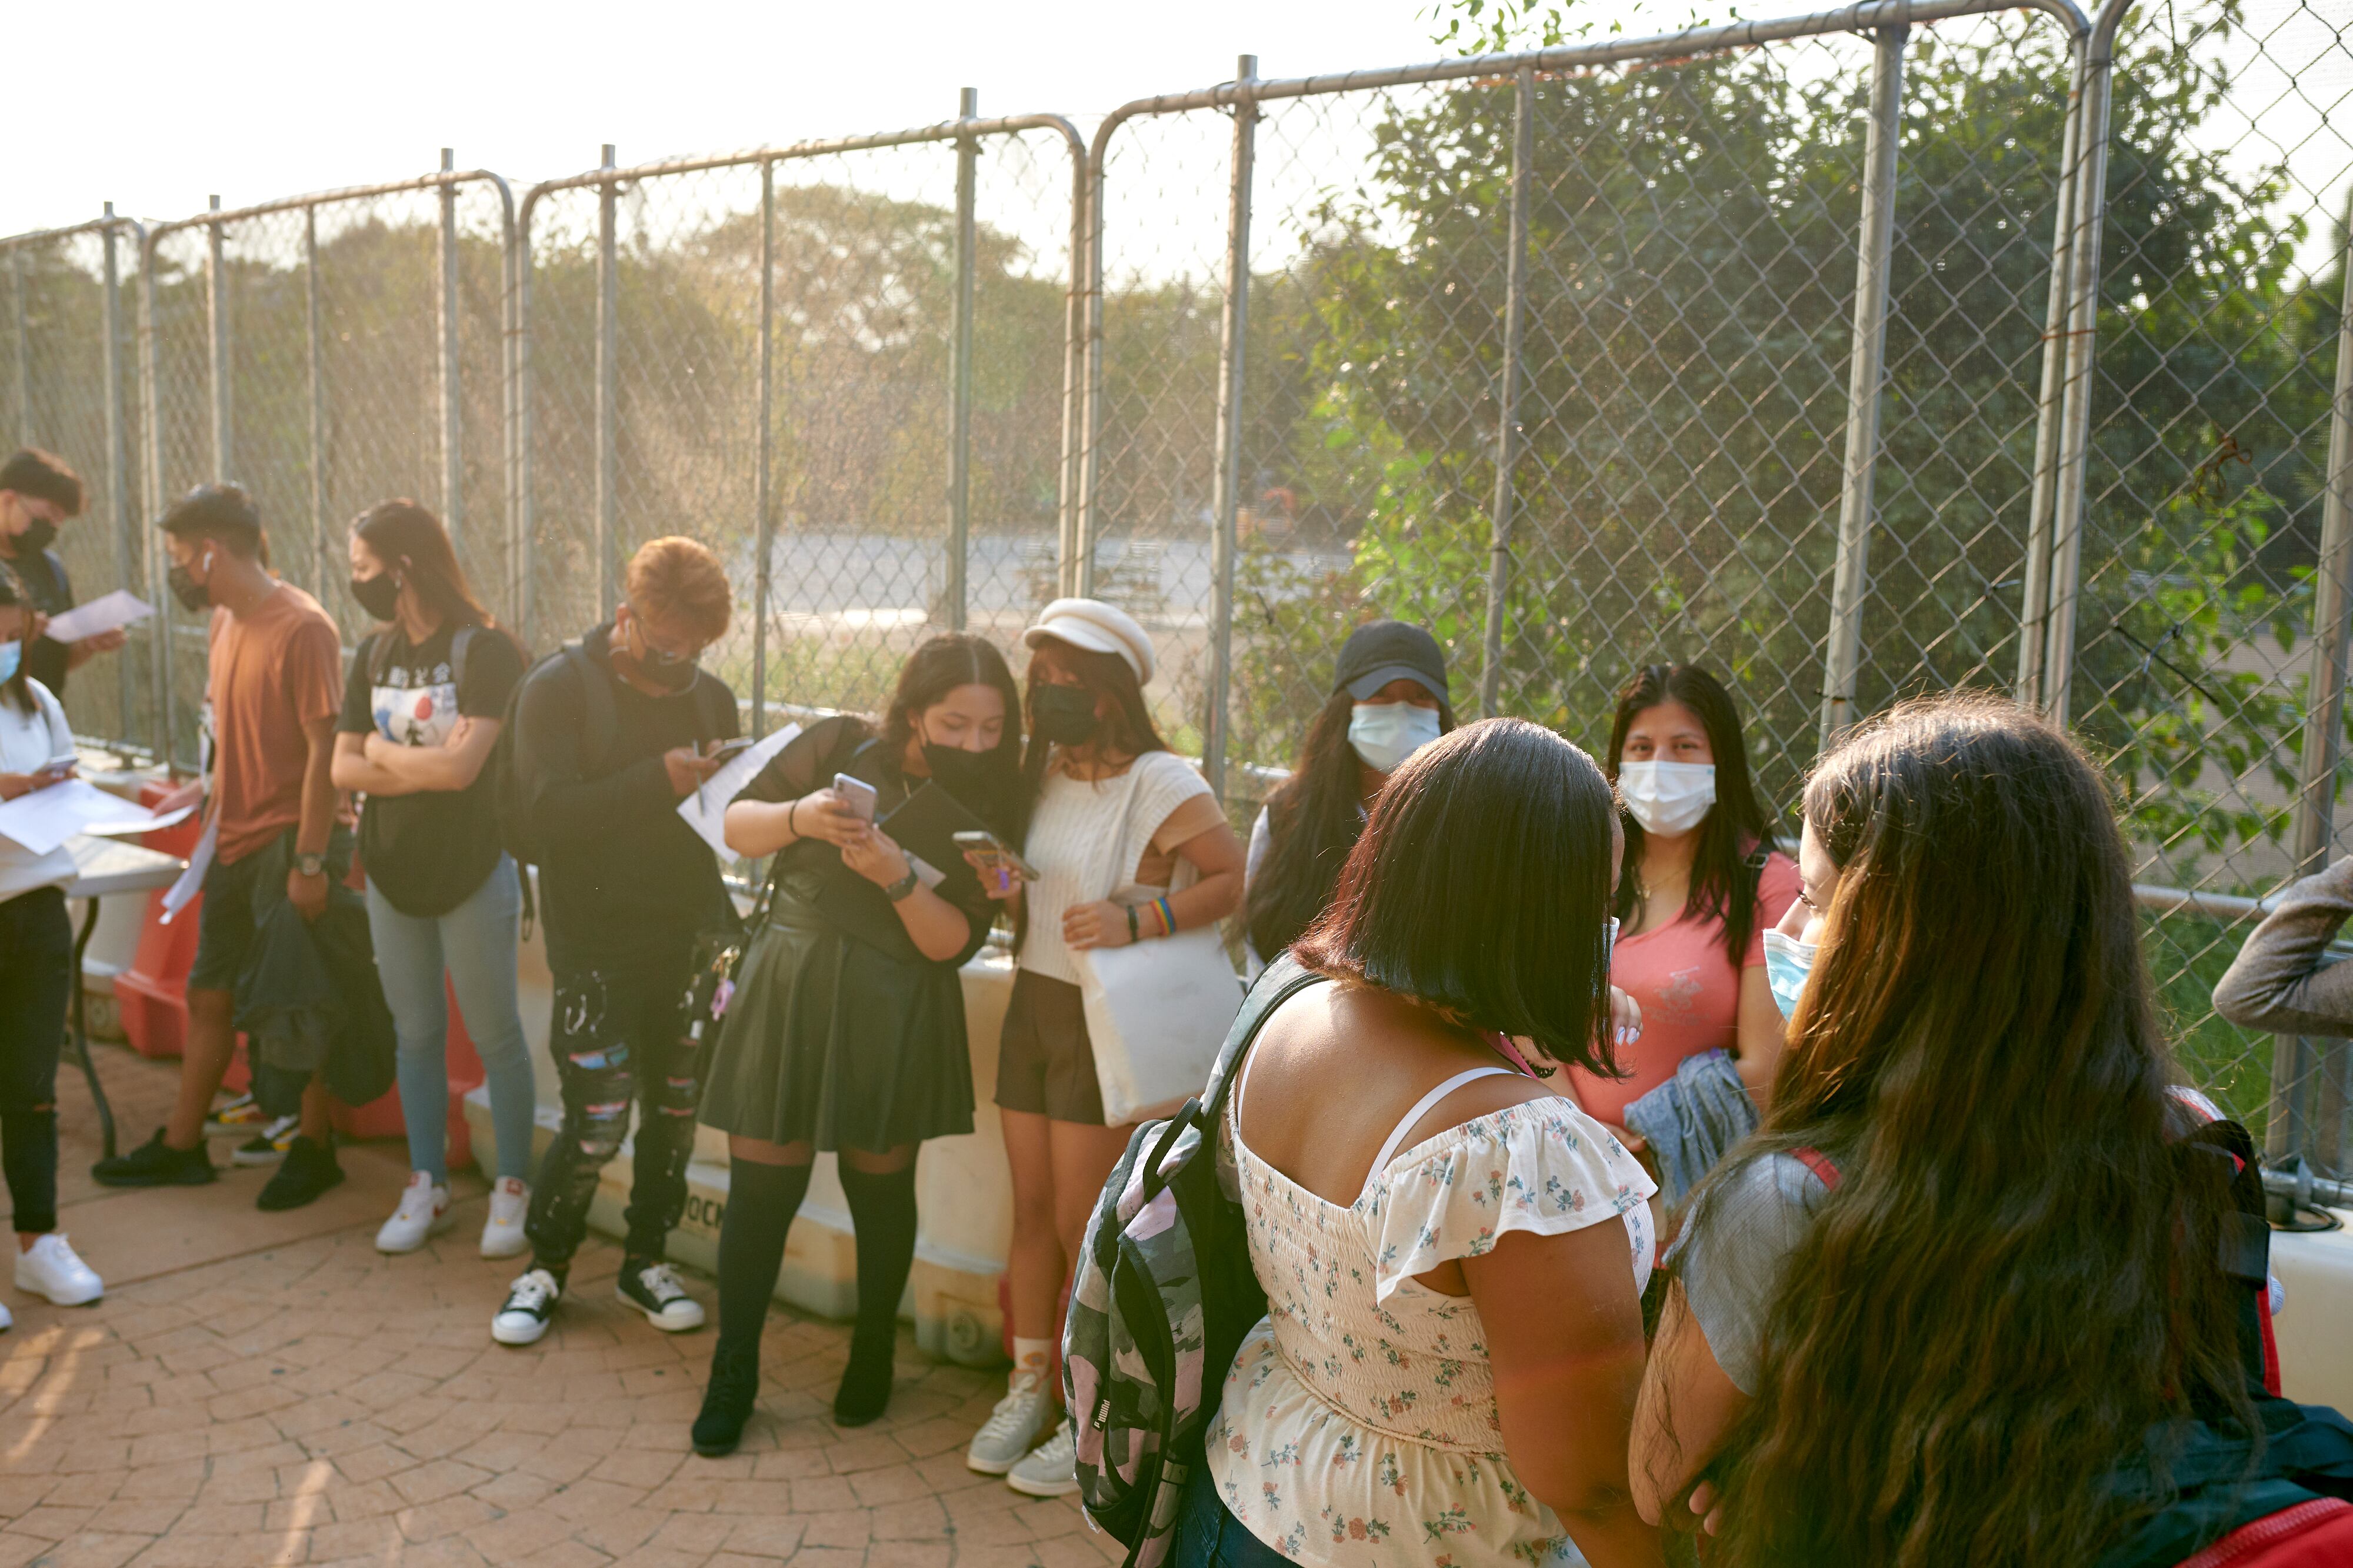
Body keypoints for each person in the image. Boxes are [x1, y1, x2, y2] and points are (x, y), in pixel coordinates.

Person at [1628, 696, 2278, 1564]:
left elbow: (1657, 1479)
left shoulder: (1787, 1199)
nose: (1785, 930)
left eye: (1815, 899)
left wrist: (1760, 1469)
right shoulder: (2195, 1146)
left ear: (1908, 936)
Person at [1179, 718, 1661, 1568]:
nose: (1609, 922)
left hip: (1248, 1495)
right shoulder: (1516, 1150)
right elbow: (1586, 1475)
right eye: (1601, 897)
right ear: (1537, 908)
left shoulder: (1290, 1010)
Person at [689, 633, 1026, 1454]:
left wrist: (896, 878)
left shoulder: (1002, 799)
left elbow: (960, 940)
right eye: (955, 722)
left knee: (881, 1185)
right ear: (915, 710)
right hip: (790, 983)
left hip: (897, 996)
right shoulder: (838, 742)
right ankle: (733, 1370)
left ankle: (871, 1348)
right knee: (762, 1185)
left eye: (991, 728)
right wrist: (803, 814)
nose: (974, 743)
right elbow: (732, 822)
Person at [966, 597, 1245, 1497]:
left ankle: (1088, 1409)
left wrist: (1144, 917)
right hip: (1033, 1003)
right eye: (1040, 678)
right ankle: (1027, 1388)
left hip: (1101, 1017)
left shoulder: (1160, 778)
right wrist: (1006, 882)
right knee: (1032, 1205)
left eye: (1068, 681)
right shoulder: (1043, 769)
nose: (1048, 694)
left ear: (1112, 689)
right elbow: (1044, 898)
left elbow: (1235, 877)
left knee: (1086, 1223)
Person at [488, 536, 737, 1348]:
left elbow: (725, 821)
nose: (677, 660)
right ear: (624, 615)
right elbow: (533, 821)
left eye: (693, 649)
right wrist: (653, 782)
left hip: (690, 931)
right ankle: (546, 1265)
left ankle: (645, 1260)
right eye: (664, 643)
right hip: (595, 939)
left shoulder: (710, 695)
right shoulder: (559, 690)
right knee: (597, 1116)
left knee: (675, 1109)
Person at [92, 484, 350, 1210]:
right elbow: (229, 730)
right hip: (230, 841)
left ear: (213, 550)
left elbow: (323, 751)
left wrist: (308, 861)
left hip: (287, 846)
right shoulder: (226, 624)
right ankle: (181, 1145)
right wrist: (205, 796)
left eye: (181, 556)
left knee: (303, 1000)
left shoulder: (303, 627)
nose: (177, 572)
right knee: (209, 991)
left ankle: (315, 1145)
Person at [328, 500, 536, 1259]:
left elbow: (462, 770)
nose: (356, 582)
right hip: (390, 872)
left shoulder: (485, 650)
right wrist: (399, 763)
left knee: (495, 1034)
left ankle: (513, 1185)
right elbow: (340, 766)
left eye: (362, 567)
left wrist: (385, 757)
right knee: (415, 1034)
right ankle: (427, 1181)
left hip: (472, 870)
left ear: (403, 566)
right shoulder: (372, 655)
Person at [1570, 665, 1797, 1141]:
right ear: (1619, 762)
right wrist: (1578, 1134)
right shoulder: (1583, 868)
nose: (1660, 766)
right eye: (1642, 748)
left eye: (1684, 746)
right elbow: (1529, 1027)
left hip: (1681, 1185)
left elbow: (1766, 1073)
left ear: (1723, 761)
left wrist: (1645, 1148)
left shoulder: (1769, 885)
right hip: (1560, 1154)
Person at [0, 566, 106, 1326]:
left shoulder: (37, 701)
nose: (8, 648)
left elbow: (65, 785)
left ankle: (39, 1242)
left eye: (15, 635)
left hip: (37, 908)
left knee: (33, 1087)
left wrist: (58, 788)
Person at [1241, 619, 1453, 972]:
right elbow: (1261, 943)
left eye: (1420, 696)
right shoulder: (1287, 815)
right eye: (1381, 693)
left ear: (1441, 712)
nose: (1400, 710)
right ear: (1346, 709)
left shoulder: (1462, 815)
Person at [0, 449, 127, 700]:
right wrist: (17, 632)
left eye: (58, 521)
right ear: (8, 500)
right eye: (46, 515)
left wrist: (87, 645)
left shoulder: (51, 569)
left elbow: (57, 661)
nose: (51, 527)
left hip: (41, 714)